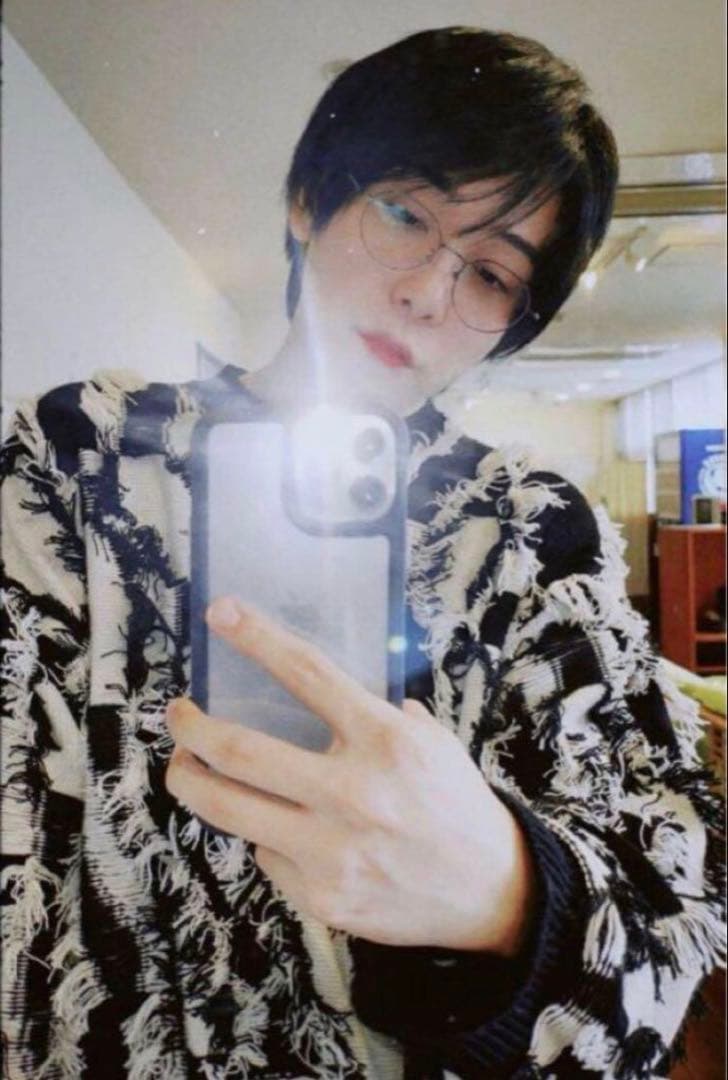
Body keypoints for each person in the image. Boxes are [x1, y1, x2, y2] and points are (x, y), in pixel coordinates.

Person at [1, 26, 724, 1080]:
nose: (427, 292)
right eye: (405, 214)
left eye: (490, 274)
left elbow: (670, 912)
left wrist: (508, 898)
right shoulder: (74, 462)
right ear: (309, 200)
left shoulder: (528, 531)